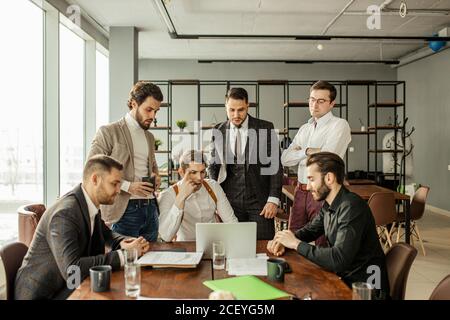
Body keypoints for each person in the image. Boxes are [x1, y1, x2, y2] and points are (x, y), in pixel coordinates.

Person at [15, 155, 150, 300]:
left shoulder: (88, 203)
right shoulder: (65, 213)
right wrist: (124, 256)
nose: (118, 190)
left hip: (69, 285)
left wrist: (126, 242)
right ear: (95, 179)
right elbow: (72, 269)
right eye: (114, 183)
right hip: (45, 294)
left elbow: (106, 234)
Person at [267, 152, 390, 299]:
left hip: (365, 290)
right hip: (345, 280)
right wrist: (285, 240)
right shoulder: (330, 204)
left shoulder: (351, 207)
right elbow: (311, 230)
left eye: (312, 179)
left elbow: (338, 259)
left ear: (329, 178)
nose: (308, 187)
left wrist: (295, 244)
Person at [88, 81, 163, 242]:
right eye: (148, 110)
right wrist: (129, 186)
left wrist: (156, 177)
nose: (153, 116)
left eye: (156, 111)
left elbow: (153, 167)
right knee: (126, 263)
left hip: (150, 209)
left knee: (151, 262)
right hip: (124, 211)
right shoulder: (109, 132)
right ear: (134, 104)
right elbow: (93, 167)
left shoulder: (149, 137)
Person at [281, 80, 351, 246]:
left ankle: (324, 273)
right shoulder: (305, 128)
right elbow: (285, 158)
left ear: (332, 103)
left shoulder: (339, 125)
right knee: (294, 238)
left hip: (323, 191)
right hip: (301, 190)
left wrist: (300, 151)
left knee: (323, 241)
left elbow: (325, 159)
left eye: (321, 101)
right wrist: (308, 151)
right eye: (312, 99)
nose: (315, 105)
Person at [207, 87, 283, 240]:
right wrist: (213, 199)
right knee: (234, 246)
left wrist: (273, 199)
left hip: (260, 202)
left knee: (263, 247)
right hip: (229, 201)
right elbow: (213, 167)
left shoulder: (265, 127)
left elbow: (275, 166)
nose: (236, 115)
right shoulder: (218, 130)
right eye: (231, 110)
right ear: (225, 107)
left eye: (241, 110)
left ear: (248, 106)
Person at [158, 150, 238, 241]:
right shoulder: (168, 195)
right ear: (181, 172)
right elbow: (166, 236)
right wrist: (181, 197)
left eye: (202, 172)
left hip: (213, 243)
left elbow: (231, 222)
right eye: (193, 172)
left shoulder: (213, 186)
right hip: (187, 247)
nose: (199, 178)